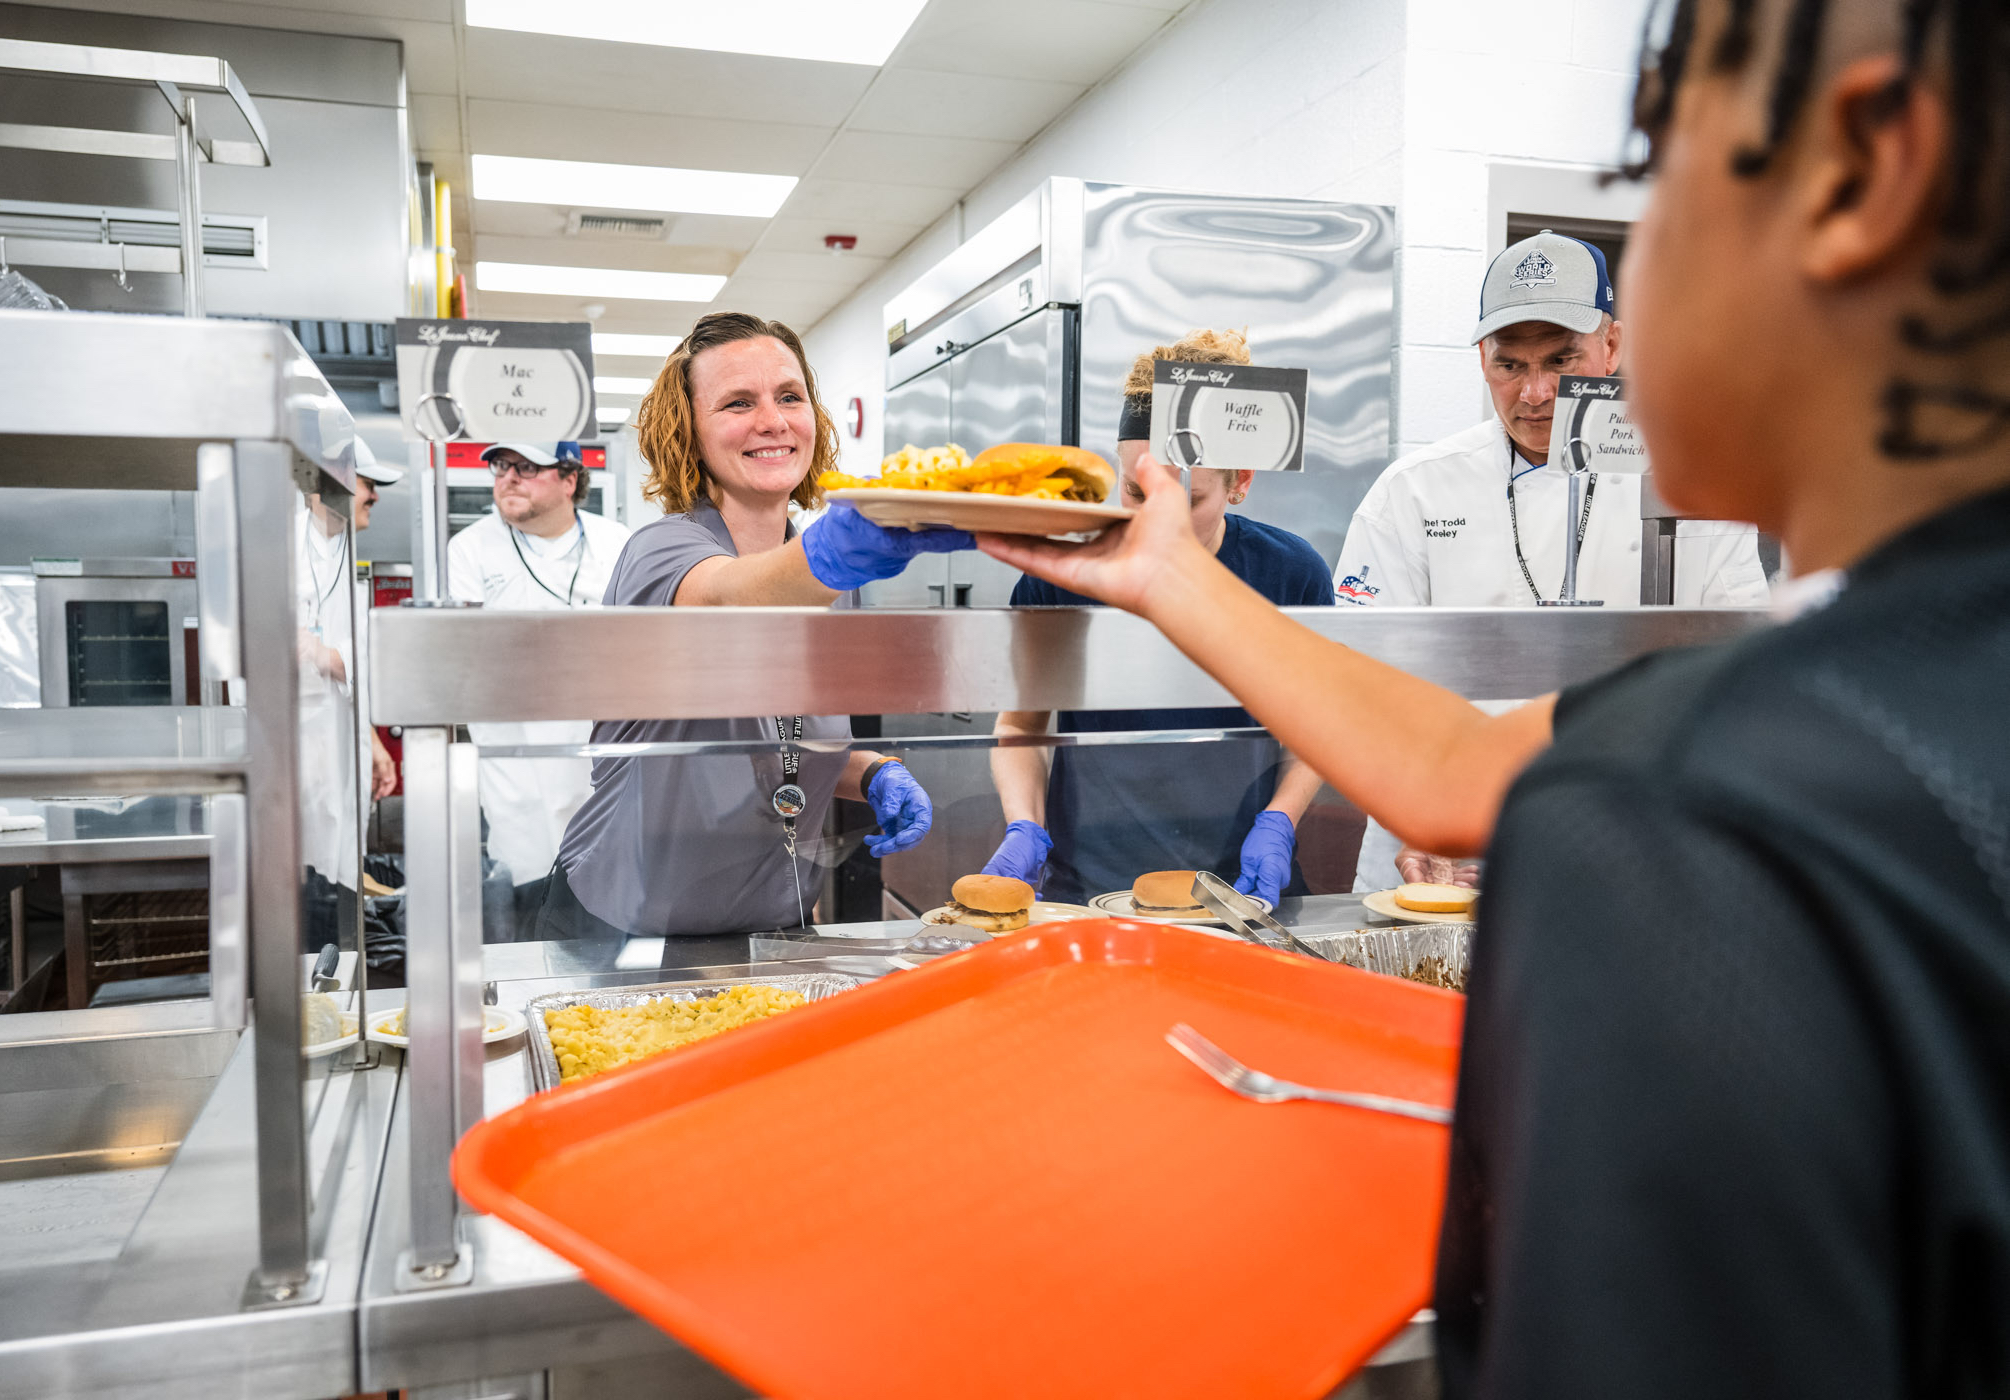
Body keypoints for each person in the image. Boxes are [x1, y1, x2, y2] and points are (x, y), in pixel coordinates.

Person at [982, 0, 2010, 1390]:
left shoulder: (1679, 832)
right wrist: (1172, 574)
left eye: (1655, 179)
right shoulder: (1897, 686)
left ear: (1859, 173)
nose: (1598, 343)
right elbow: (1460, 768)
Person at [1334, 229, 1773, 893]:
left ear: (1612, 345)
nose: (1536, 393)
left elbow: (1742, 678)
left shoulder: (1697, 483)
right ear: (1482, 359)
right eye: (1510, 365)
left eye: (1562, 359)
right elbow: (1361, 684)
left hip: (1632, 848)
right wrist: (1418, 814)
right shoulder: (1415, 491)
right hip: (1433, 853)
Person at [551, 311, 970, 938]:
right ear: (689, 431)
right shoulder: (662, 552)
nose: (772, 421)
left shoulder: (830, 581)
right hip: (631, 927)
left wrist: (867, 770)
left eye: (789, 396)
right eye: (737, 403)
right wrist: (829, 558)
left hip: (770, 925)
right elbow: (728, 596)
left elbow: (780, 749)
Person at [983, 330, 1331, 906]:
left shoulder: (1290, 575)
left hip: (1241, 894)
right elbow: (1020, 726)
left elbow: (1314, 730)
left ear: (1239, 483)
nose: (1156, 521)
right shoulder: (1063, 574)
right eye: (1135, 492)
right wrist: (1025, 825)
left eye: (1187, 500)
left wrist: (1280, 823)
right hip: (1089, 891)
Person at [447, 440, 630, 939]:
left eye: (527, 468)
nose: (508, 477)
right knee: (532, 917)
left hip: (602, 759)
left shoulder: (617, 543)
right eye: (502, 467)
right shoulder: (470, 547)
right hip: (517, 768)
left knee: (607, 914)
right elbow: (469, 654)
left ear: (569, 480)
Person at [296, 436, 401, 948]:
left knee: (338, 874)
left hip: (340, 747)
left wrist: (374, 745)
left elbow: (341, 660)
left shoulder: (342, 551)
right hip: (297, 753)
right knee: (307, 888)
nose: (374, 496)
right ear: (328, 478)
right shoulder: (280, 548)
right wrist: (330, 656)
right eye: (367, 483)